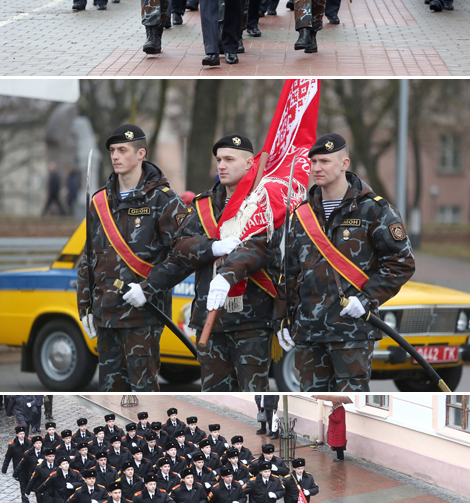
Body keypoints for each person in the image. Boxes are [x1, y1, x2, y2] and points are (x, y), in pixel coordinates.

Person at [146, 133, 281, 392]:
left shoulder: (265, 205)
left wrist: (228, 272)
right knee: (214, 396)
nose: (221, 165)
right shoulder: (203, 205)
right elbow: (180, 246)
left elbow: (264, 249)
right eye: (219, 159)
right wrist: (213, 247)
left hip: (251, 322)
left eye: (229, 159)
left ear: (250, 163)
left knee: (254, 398)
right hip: (211, 320)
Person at [283, 130, 415, 393]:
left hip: (351, 329)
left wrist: (366, 299)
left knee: (351, 402)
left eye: (325, 161)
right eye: (313, 162)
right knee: (313, 402)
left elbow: (401, 263)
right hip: (308, 331)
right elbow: (290, 271)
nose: (316, 168)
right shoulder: (302, 214)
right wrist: (286, 319)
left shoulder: (374, 209)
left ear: (344, 164)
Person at [77, 121, 186, 394]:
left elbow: (185, 254)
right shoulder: (100, 201)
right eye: (112, 150)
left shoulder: (163, 200)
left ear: (140, 154)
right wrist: (85, 305)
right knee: (109, 394)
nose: (115, 156)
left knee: (144, 392)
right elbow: (88, 257)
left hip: (143, 316)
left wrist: (149, 289)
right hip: (106, 316)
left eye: (122, 150)